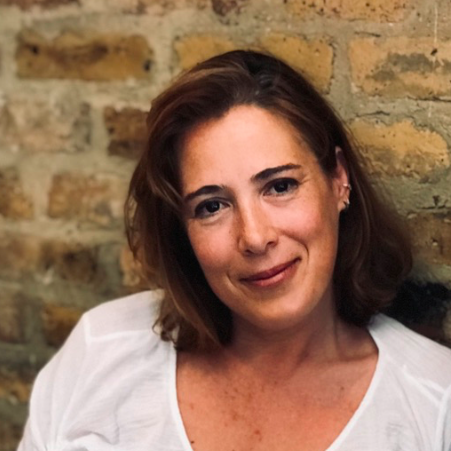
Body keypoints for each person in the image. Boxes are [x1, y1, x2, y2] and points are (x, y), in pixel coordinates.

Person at [18, 50, 451, 451]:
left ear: (339, 179)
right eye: (212, 207)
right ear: (183, 231)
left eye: (280, 186)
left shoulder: (435, 406)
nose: (255, 237)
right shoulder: (100, 351)